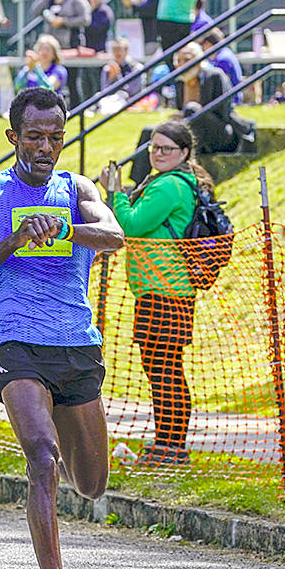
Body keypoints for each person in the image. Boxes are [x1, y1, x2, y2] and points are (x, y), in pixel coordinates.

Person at [0, 87, 124, 569]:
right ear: (13, 138)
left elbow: (115, 236)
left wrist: (65, 228)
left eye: (55, 136)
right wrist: (14, 240)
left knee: (92, 483)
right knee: (42, 456)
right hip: (16, 343)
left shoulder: (78, 189)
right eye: (34, 136)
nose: (45, 146)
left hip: (76, 346)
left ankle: (75, 468)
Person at [99, 118, 206, 466]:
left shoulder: (168, 187)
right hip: (165, 291)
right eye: (154, 147)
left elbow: (129, 225)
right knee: (164, 367)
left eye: (166, 149)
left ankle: (170, 447)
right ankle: (169, 444)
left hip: (164, 291)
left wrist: (113, 191)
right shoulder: (172, 182)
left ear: (184, 152)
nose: (158, 154)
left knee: (163, 369)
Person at [168, 42, 255, 156]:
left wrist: (188, 113)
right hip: (191, 133)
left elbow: (224, 112)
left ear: (199, 61)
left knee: (192, 109)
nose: (182, 64)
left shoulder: (214, 76)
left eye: (187, 60)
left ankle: (189, 162)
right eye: (178, 61)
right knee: (150, 131)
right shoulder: (180, 82)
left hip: (222, 133)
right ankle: (138, 173)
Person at [82, 0, 116, 102]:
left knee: (97, 84)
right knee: (84, 84)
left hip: (99, 53)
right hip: (84, 54)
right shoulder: (85, 10)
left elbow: (93, 28)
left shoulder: (104, 12)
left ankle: (97, 105)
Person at [15, 35, 69, 100]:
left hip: (50, 107)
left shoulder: (59, 70)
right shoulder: (30, 68)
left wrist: (37, 68)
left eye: (48, 50)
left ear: (54, 54)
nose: (44, 52)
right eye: (41, 49)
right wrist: (27, 70)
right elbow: (17, 86)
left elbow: (48, 88)